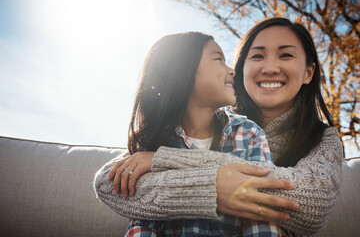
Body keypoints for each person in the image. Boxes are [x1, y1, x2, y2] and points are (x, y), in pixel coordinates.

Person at [94, 18, 343, 236]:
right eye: (257, 56)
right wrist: (211, 188)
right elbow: (109, 183)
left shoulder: (323, 138)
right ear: (243, 67)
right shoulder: (206, 119)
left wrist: (172, 162)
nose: (269, 68)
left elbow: (314, 204)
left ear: (309, 73)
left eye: (285, 55)